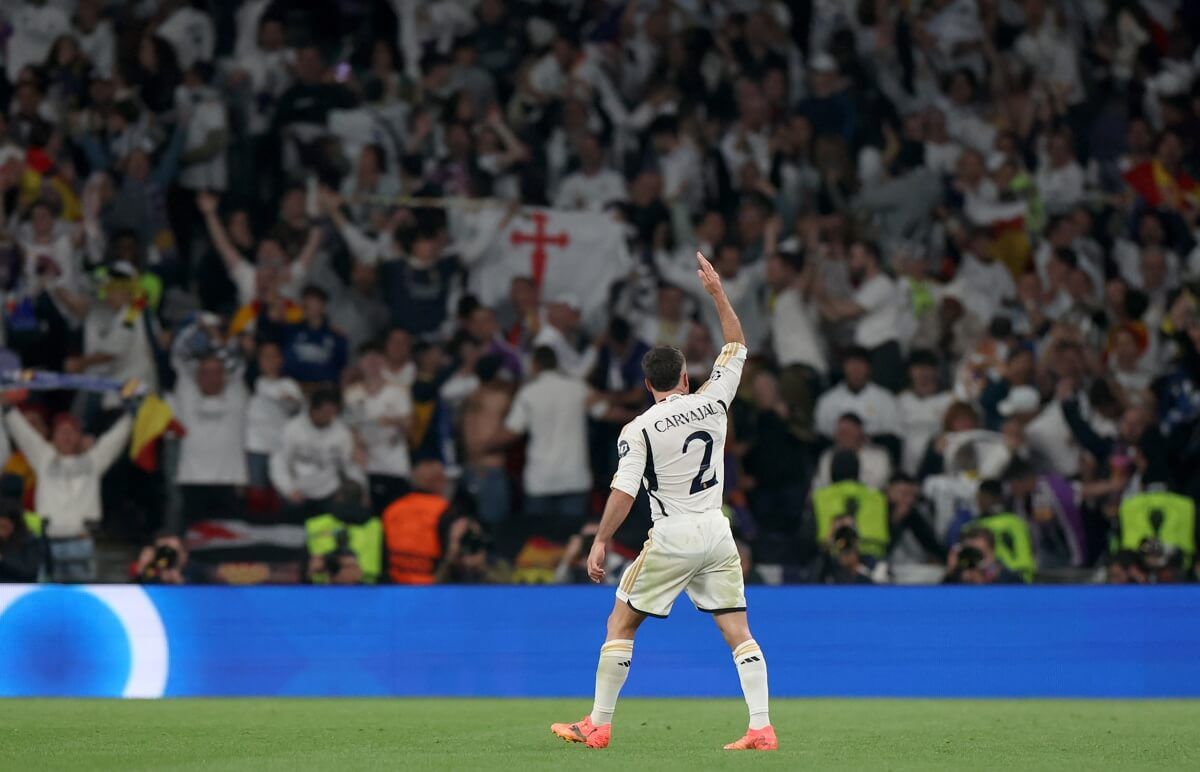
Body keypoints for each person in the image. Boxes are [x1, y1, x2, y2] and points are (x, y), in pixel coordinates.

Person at [551, 252, 776, 752]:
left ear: (648, 384)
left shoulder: (639, 428)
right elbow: (737, 343)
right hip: (718, 532)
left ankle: (599, 724)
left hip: (673, 534)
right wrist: (717, 292)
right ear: (686, 378)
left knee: (621, 621)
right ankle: (761, 726)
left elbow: (623, 491)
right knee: (738, 630)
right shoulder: (715, 400)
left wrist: (600, 539)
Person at [3, 404, 131, 582]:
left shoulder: (94, 460)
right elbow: (24, 434)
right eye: (62, 431)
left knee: (79, 597)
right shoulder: (44, 458)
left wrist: (131, 414)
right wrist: (8, 408)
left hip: (82, 540)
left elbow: (114, 440)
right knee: (48, 597)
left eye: (72, 431)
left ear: (79, 436)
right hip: (48, 541)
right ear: (53, 436)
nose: (67, 436)